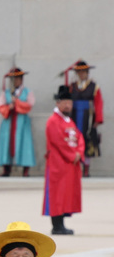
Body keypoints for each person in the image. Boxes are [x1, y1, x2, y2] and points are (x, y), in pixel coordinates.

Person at [44, 85, 84, 236]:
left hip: (69, 165)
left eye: (69, 102)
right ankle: (56, 225)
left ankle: (62, 224)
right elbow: (58, 141)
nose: (67, 105)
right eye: (64, 102)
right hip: (58, 164)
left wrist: (79, 152)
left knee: (65, 195)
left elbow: (79, 138)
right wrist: (72, 155)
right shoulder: (53, 121)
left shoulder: (68, 121)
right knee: (57, 196)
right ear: (58, 103)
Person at [0, 68, 36, 177]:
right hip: (9, 120)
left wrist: (17, 103)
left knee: (25, 143)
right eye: (14, 79)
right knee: (6, 144)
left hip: (22, 121)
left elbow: (29, 105)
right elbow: (0, 105)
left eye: (18, 78)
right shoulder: (6, 93)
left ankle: (26, 169)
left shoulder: (28, 92)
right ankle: (6, 168)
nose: (17, 81)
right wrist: (9, 107)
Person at [68, 59, 102, 174]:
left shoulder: (93, 86)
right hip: (74, 115)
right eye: (79, 72)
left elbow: (98, 103)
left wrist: (98, 119)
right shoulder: (72, 86)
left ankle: (86, 168)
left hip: (88, 116)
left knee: (87, 140)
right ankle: (74, 165)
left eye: (84, 72)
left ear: (88, 73)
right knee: (73, 140)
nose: (81, 74)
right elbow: (68, 101)